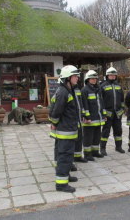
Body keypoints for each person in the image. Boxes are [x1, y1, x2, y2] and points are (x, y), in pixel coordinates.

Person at [48, 65, 82, 193]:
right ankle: (61, 184)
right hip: (65, 132)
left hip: (69, 130)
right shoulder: (63, 92)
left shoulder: (68, 90)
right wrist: (54, 123)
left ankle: (65, 176)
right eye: (74, 76)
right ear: (67, 78)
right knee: (65, 156)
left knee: (67, 156)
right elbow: (57, 111)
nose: (77, 78)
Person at [100, 67, 125, 155]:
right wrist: (103, 113)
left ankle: (118, 147)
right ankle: (102, 148)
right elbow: (100, 101)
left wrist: (122, 109)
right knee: (105, 132)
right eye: (111, 75)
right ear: (107, 76)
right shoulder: (103, 86)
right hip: (108, 114)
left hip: (117, 114)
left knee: (118, 131)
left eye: (114, 75)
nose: (112, 76)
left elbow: (122, 99)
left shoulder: (118, 86)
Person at [81, 70, 106, 161]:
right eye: (92, 78)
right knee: (88, 137)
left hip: (98, 118)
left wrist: (104, 114)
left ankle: (95, 151)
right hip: (90, 119)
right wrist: (87, 117)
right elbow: (84, 105)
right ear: (87, 79)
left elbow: (101, 103)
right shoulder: (84, 90)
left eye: (95, 78)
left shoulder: (98, 89)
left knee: (97, 136)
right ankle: (87, 154)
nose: (94, 80)